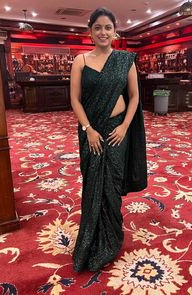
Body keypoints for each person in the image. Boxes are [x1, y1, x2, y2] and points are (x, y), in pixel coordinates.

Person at [71, 7, 147, 272]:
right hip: (92, 131)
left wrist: (125, 126)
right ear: (90, 32)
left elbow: (135, 97)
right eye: (98, 28)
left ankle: (112, 239)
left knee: (112, 185)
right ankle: (91, 240)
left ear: (115, 32)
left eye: (108, 28)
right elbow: (75, 100)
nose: (103, 32)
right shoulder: (80, 61)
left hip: (117, 131)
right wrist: (88, 128)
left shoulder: (125, 60)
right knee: (93, 184)